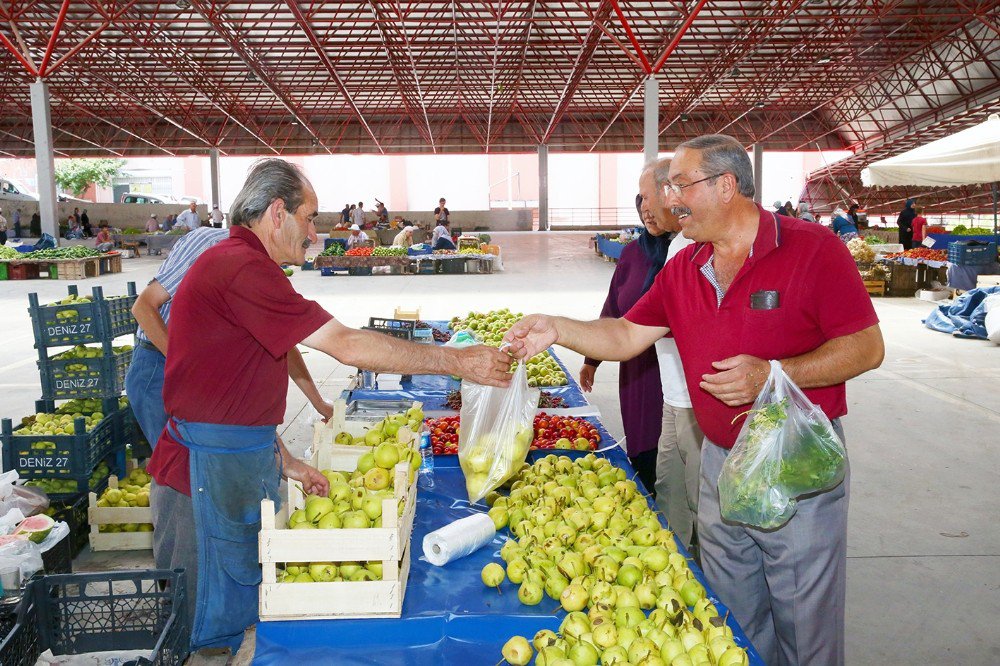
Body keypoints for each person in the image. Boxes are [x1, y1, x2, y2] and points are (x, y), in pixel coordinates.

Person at [503, 134, 884, 666]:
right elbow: (624, 335)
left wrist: (776, 374)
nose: (669, 199)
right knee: (730, 612)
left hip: (793, 462)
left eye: (680, 184)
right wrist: (556, 328)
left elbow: (866, 347)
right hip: (720, 461)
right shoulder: (684, 268)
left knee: (805, 620)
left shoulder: (812, 249)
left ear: (726, 185)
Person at [144, 158, 512, 652]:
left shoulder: (243, 265)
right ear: (278, 212)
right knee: (201, 628)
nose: (314, 233)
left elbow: (226, 385)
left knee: (228, 614)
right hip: (204, 481)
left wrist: (283, 457)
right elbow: (347, 344)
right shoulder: (241, 267)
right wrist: (456, 362)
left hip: (228, 463)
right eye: (309, 217)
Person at [578, 165, 670, 499]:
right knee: (645, 446)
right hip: (638, 369)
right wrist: (592, 359)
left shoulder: (690, 252)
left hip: (678, 372)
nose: (647, 212)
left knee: (677, 462)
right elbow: (612, 310)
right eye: (641, 204)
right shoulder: (633, 254)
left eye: (652, 203)